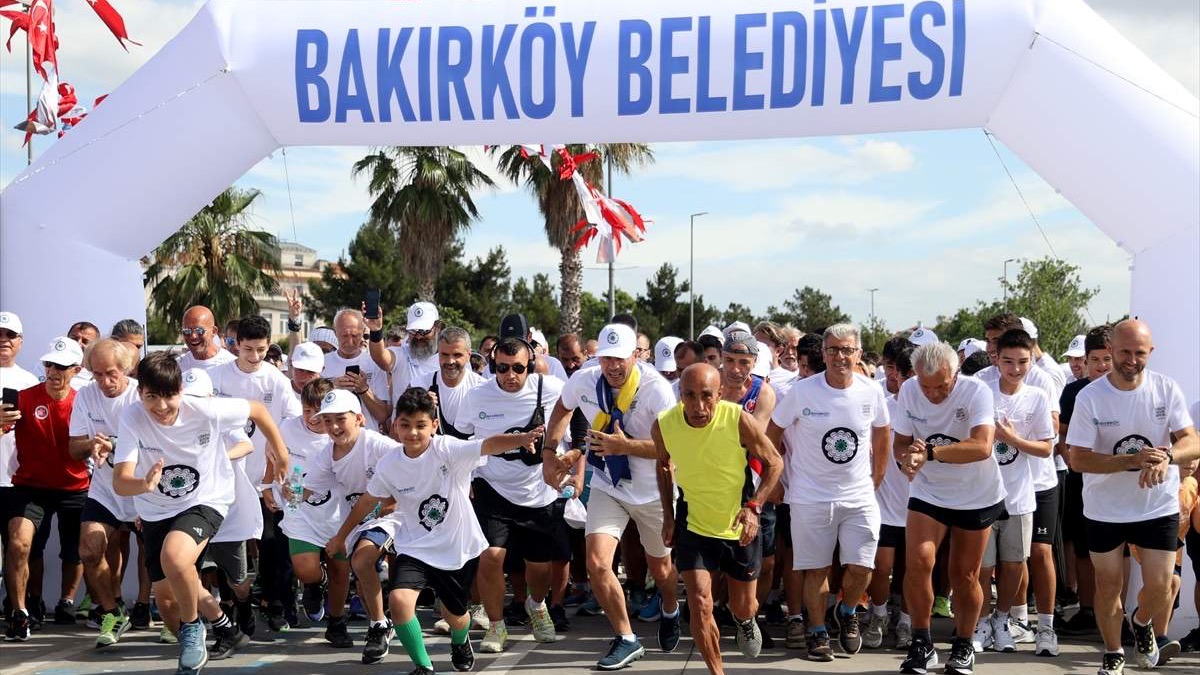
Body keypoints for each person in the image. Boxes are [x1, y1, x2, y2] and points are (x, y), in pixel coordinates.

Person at [330, 388, 546, 675]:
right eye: (405, 425)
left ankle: (460, 639)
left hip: (455, 548)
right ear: (396, 426)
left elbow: (489, 444)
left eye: (421, 425)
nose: (413, 433)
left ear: (433, 425)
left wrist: (520, 439)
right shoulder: (390, 464)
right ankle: (424, 666)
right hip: (414, 546)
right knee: (399, 599)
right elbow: (368, 501)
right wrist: (341, 536)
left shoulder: (447, 449)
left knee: (456, 616)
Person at [113, 352, 289, 675]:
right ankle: (223, 627)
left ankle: (194, 629)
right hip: (155, 510)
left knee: (176, 558)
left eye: (169, 396)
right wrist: (143, 482)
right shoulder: (132, 416)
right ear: (140, 393)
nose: (162, 406)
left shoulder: (205, 410)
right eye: (152, 397)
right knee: (167, 601)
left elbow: (258, 410)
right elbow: (121, 483)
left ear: (180, 389)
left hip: (206, 499)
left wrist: (280, 451)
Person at [543, 324, 682, 670]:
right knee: (598, 564)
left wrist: (625, 446)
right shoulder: (585, 380)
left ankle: (670, 607)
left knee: (661, 568)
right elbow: (562, 409)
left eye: (620, 358)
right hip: (608, 484)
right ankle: (626, 637)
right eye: (606, 358)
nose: (613, 366)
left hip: (653, 491)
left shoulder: (657, 390)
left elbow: (673, 450)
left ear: (636, 355)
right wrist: (549, 451)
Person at [1066, 319, 1197, 675]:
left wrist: (1167, 457)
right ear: (1110, 351)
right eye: (1124, 352)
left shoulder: (1165, 389)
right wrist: (1132, 460)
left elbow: (1192, 440)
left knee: (1162, 585)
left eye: (1139, 353)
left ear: (1150, 352)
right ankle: (1113, 653)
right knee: (1110, 585)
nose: (1131, 360)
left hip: (1156, 505)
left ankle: (1141, 623)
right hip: (1104, 508)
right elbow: (1076, 458)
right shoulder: (1090, 396)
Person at [766, 324, 890, 661]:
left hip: (859, 495)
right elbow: (770, 434)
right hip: (809, 496)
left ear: (858, 354)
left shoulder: (871, 391)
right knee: (816, 570)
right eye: (833, 350)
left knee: (864, 567)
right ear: (823, 354)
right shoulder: (802, 391)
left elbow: (882, 436)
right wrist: (774, 478)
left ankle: (847, 611)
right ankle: (817, 633)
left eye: (847, 350)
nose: (840, 356)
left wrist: (877, 476)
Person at [652, 364, 782, 675]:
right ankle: (717, 671)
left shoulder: (736, 419)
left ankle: (745, 620)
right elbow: (662, 467)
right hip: (693, 523)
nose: (698, 406)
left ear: (720, 394)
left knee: (743, 605)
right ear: (680, 395)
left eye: (706, 396)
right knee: (699, 601)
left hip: (738, 523)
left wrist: (754, 507)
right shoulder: (664, 425)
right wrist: (668, 516)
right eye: (689, 396)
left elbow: (774, 462)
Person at [894, 342, 1003, 675]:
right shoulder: (910, 390)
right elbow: (901, 443)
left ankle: (964, 644)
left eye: (941, 386)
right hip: (929, 491)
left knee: (964, 574)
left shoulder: (976, 392)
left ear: (955, 374)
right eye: (926, 386)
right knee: (918, 562)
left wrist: (929, 454)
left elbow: (982, 446)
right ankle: (921, 642)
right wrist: (906, 462)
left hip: (976, 493)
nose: (933, 394)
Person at [454, 336, 566, 653]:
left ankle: (537, 605)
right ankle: (496, 625)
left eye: (518, 368)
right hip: (492, 485)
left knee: (540, 568)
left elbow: (575, 416)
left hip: (537, 490)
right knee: (491, 556)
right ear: (493, 366)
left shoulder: (551, 389)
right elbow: (461, 441)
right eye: (502, 368)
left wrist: (569, 462)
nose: (510, 375)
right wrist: (464, 480)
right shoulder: (476, 397)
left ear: (529, 365)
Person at [208, 316, 302, 633]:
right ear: (236, 344)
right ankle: (234, 606)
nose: (255, 356)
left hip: (266, 478)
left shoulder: (275, 379)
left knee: (273, 542)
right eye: (248, 349)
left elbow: (291, 422)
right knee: (227, 544)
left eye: (261, 349)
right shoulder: (217, 376)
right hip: (227, 476)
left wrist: (276, 464)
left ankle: (275, 604)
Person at [972, 330, 1055, 655]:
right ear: (996, 358)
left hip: (1020, 497)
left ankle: (1003, 620)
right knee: (983, 567)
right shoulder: (981, 392)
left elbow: (1046, 448)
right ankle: (980, 622)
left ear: (1031, 360)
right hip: (982, 496)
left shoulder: (1037, 396)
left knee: (1014, 565)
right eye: (1008, 361)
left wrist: (1012, 438)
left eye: (1023, 361)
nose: (1015, 368)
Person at [0, 337, 87, 640]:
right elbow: (3, 426)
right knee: (19, 544)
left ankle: (66, 602)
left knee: (74, 551)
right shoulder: (22, 397)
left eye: (61, 366)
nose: (52, 371)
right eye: (49, 363)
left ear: (76, 369)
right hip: (31, 487)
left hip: (74, 487)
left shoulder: (83, 402)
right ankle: (21, 610)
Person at [305, 389, 402, 659]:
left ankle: (379, 627)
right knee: (362, 574)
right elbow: (306, 489)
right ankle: (381, 624)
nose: (334, 427)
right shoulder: (327, 454)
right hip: (362, 521)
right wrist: (281, 490)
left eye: (340, 419)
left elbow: (413, 466)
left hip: (396, 516)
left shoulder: (379, 446)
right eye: (327, 421)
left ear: (359, 418)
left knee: (361, 562)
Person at [68, 339, 141, 647]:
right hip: (104, 490)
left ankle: (163, 614)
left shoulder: (141, 394)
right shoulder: (85, 396)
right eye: (97, 374)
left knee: (155, 555)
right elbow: (74, 448)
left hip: (141, 488)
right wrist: (91, 445)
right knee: (89, 550)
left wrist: (116, 444)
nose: (104, 382)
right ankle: (112, 611)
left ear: (125, 368)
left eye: (111, 373)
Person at [277, 378, 351, 636]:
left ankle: (337, 622)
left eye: (320, 412)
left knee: (340, 570)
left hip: (337, 513)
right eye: (308, 410)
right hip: (300, 510)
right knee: (305, 568)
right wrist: (275, 485)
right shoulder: (287, 428)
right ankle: (314, 584)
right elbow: (274, 458)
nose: (313, 418)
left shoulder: (344, 433)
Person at [867, 344, 916, 650]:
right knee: (881, 566)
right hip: (885, 503)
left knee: (916, 569)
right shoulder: (882, 404)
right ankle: (879, 614)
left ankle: (908, 623)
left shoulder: (932, 405)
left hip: (921, 505)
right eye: (903, 372)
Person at [321, 309, 391, 425]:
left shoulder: (374, 363)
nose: (350, 341)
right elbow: (311, 408)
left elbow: (383, 415)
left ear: (363, 332)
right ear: (335, 333)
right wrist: (332, 387)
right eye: (344, 335)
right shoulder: (322, 362)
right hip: (331, 437)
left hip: (366, 437)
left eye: (355, 335)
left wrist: (363, 389)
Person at [367, 302, 442, 400]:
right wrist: (376, 331)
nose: (418, 336)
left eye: (424, 331)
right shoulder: (401, 354)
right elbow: (379, 356)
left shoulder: (448, 358)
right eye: (413, 331)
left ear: (437, 328)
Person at [177, 306, 236, 373]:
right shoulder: (177, 367)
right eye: (187, 331)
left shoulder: (232, 365)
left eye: (199, 330)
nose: (193, 336)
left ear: (213, 331)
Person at [67, 321, 101, 389]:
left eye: (85, 341)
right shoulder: (46, 367)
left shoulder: (99, 377)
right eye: (74, 339)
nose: (78, 344)